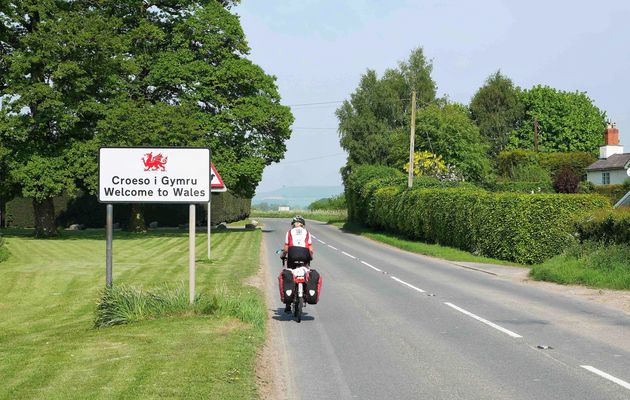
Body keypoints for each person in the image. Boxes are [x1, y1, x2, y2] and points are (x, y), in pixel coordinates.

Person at [281, 215, 313, 312]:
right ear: (303, 225)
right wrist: (310, 257)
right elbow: (310, 248)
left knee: (290, 274)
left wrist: (283, 255)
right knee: (306, 273)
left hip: (292, 255)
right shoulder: (307, 232)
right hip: (305, 255)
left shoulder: (289, 232)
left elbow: (286, 247)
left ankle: (287, 305)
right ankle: (306, 292)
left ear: (293, 224)